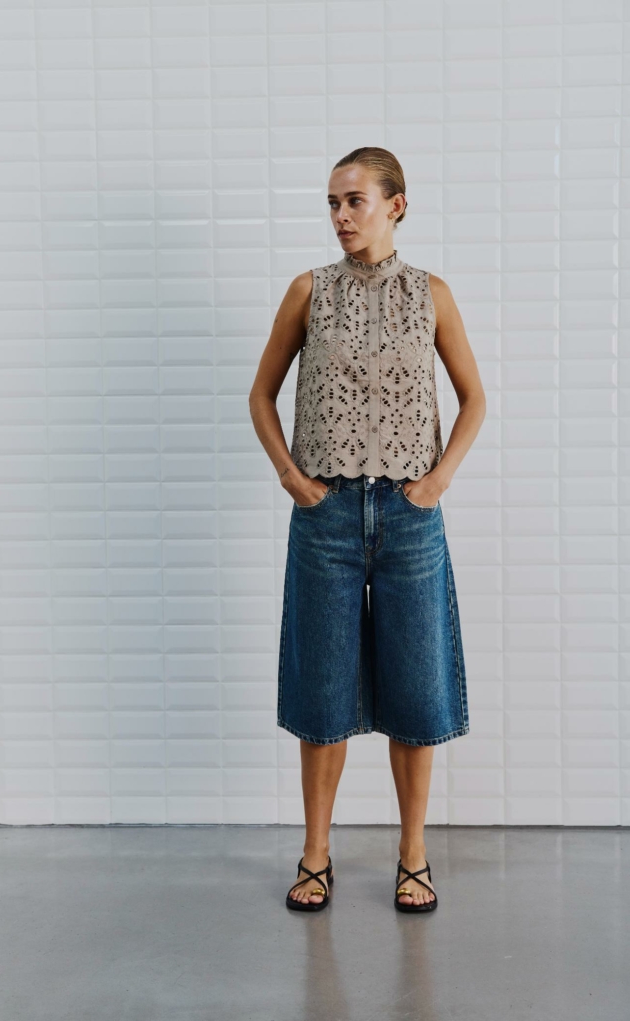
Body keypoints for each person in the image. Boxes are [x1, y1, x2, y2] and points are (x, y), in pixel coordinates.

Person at [248, 146, 485, 914]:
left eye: (354, 200)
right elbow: (260, 394)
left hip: (411, 518)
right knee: (322, 689)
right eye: (332, 202)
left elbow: (474, 398)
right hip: (327, 517)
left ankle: (412, 854)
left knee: (415, 686)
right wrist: (293, 479)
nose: (341, 215)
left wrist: (436, 481)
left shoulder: (432, 294)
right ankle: (315, 853)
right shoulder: (308, 291)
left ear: (396, 205)